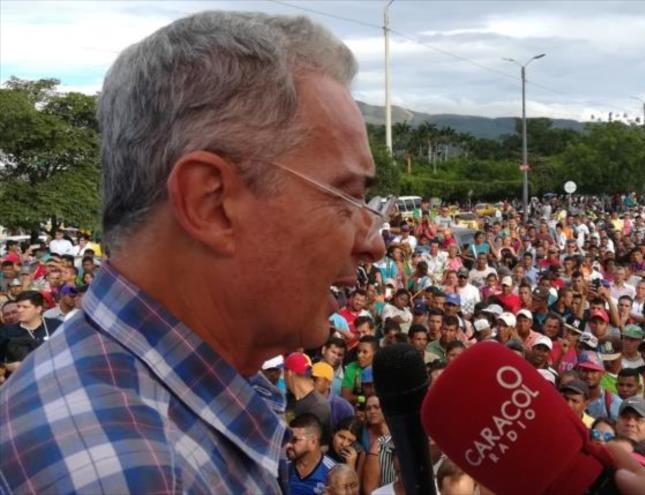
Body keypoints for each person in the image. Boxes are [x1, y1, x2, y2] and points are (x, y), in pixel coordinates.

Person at [0, 12, 387, 493]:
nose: (375, 242)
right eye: (345, 198)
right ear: (211, 204)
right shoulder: (132, 472)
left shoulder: (148, 393)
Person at [287, 413, 337, 495]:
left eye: (294, 440)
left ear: (313, 441)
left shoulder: (333, 471)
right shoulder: (282, 466)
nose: (288, 445)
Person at [341, 337, 377, 406]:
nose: (359, 355)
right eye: (358, 351)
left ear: (375, 353)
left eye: (365, 352)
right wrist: (363, 398)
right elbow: (345, 397)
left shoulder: (382, 367)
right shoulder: (352, 367)